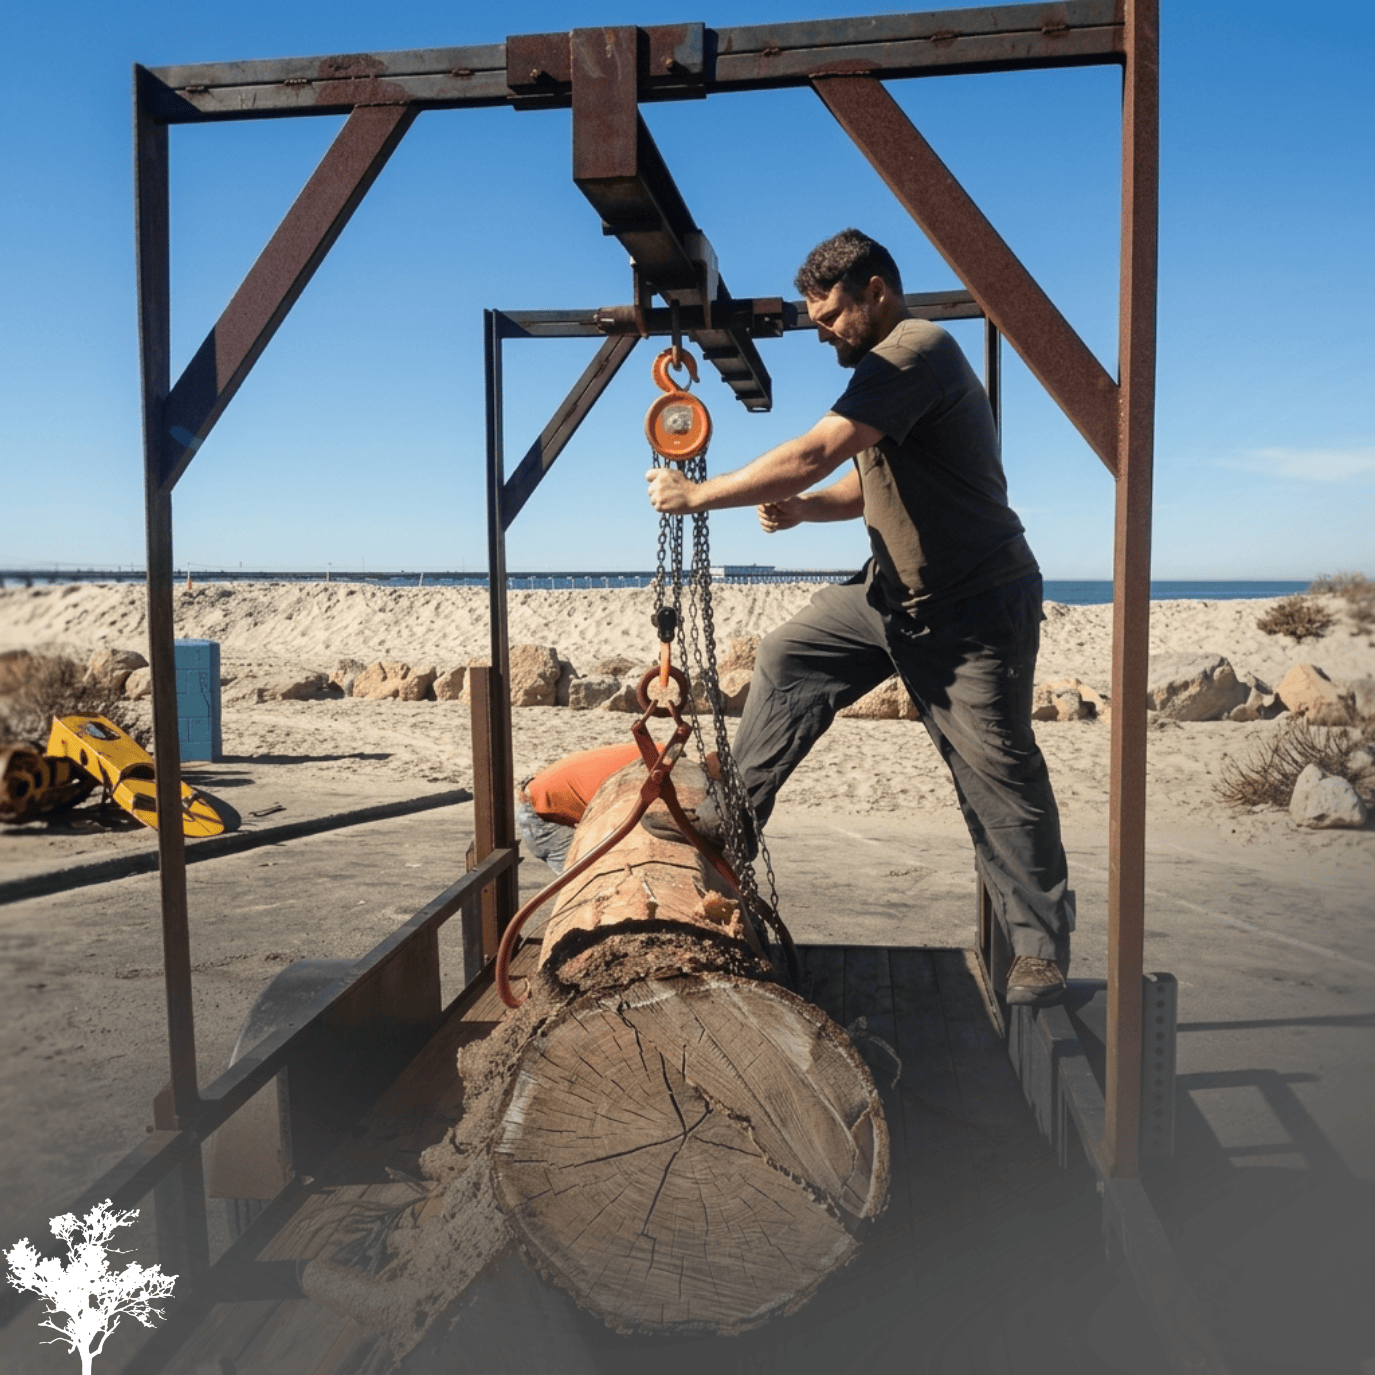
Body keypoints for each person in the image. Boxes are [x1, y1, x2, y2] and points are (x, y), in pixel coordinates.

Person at [645, 228, 1074, 1006]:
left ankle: (1039, 952)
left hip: (973, 607)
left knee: (996, 773)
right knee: (788, 655)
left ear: (876, 291)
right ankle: (728, 819)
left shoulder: (913, 349)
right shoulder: (886, 372)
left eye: (832, 313)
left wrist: (697, 494)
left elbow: (818, 449)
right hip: (889, 596)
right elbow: (865, 478)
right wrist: (807, 511)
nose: (821, 330)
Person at [515, 742, 643, 874]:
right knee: (584, 878)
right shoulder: (654, 766)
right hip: (542, 816)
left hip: (549, 796)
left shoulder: (656, 753)